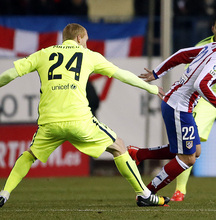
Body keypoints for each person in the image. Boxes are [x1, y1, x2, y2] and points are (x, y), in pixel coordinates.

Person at [0, 23, 169, 207]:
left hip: (50, 123)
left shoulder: (43, 54)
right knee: (119, 146)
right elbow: (122, 75)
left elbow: (11, 74)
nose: (87, 45)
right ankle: (143, 194)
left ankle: (5, 193)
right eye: (86, 41)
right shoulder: (88, 56)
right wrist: (150, 88)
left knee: (29, 155)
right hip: (79, 120)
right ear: (79, 38)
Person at [129, 14, 216, 201]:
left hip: (178, 104)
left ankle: (139, 154)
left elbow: (183, 53)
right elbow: (201, 84)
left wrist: (157, 72)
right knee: (188, 158)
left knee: (194, 151)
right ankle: (147, 193)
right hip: (179, 107)